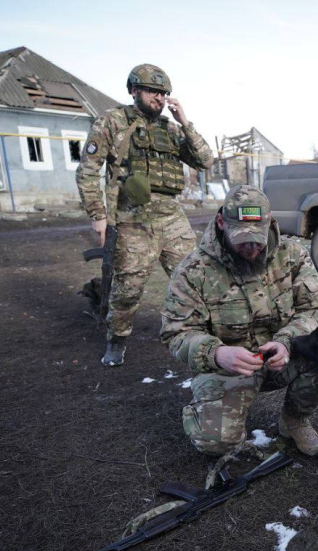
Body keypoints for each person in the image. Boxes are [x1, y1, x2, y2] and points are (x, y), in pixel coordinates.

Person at [161, 185, 318, 458]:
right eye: (242, 238)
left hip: (284, 357)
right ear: (221, 222)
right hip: (229, 367)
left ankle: (294, 420)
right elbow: (177, 333)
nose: (252, 247)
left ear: (270, 221)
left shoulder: (292, 255)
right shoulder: (193, 271)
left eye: (258, 237)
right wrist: (217, 353)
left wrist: (287, 342)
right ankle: (225, 424)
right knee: (214, 442)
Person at [76, 64, 214, 366]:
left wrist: (185, 122)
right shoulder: (112, 122)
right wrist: (97, 214)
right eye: (153, 91)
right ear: (134, 90)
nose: (159, 97)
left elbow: (205, 160)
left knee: (196, 278)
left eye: (163, 92)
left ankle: (201, 336)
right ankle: (116, 342)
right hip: (133, 219)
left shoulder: (171, 129)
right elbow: (88, 170)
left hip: (172, 217)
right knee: (128, 289)